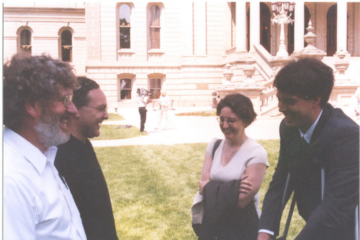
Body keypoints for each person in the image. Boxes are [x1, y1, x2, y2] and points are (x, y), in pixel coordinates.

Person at [258, 58, 359, 240]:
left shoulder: (346, 135)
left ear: (315, 100)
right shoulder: (288, 128)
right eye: (279, 99)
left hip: (346, 230)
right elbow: (280, 182)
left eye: (289, 101)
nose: (281, 108)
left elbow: (335, 208)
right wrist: (265, 232)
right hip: (315, 222)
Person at [3, 54, 87, 239]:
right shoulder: (11, 180)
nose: (73, 110)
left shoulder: (43, 156)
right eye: (65, 100)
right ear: (32, 105)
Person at [192, 93, 269, 240]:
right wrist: (234, 187)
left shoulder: (256, 153)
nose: (225, 125)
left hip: (242, 229)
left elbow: (241, 201)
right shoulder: (214, 146)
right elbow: (202, 187)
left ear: (246, 121)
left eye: (231, 121)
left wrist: (210, 188)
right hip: (212, 228)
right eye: (222, 119)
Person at [55, 77, 118, 240]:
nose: (106, 115)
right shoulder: (58, 156)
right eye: (100, 109)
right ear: (74, 108)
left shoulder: (84, 145)